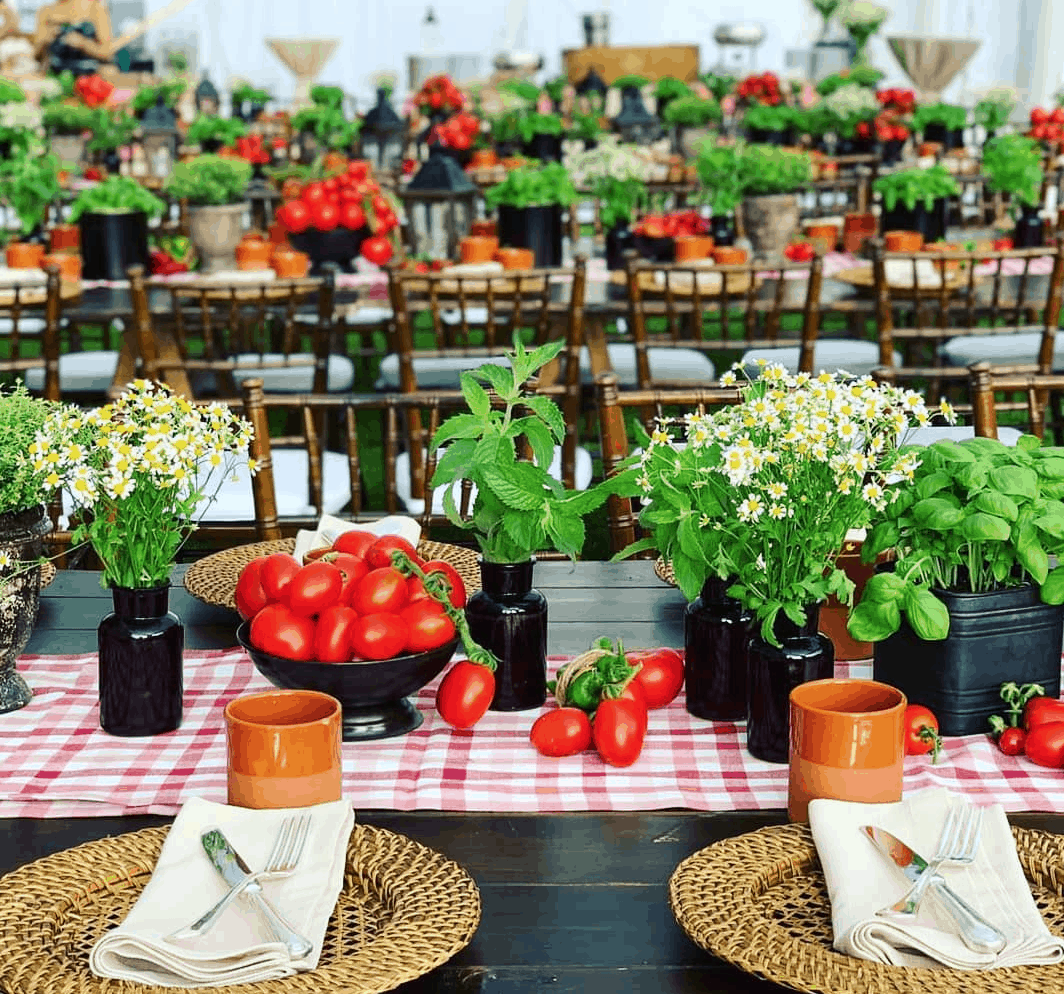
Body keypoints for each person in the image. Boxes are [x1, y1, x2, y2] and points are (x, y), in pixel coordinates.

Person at [33, 0, 113, 77]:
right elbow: (36, 55)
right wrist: (45, 40)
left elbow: (107, 53)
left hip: (87, 79)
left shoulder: (95, 9)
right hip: (54, 77)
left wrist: (83, 44)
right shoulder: (46, 12)